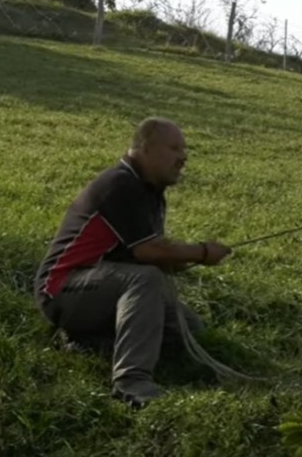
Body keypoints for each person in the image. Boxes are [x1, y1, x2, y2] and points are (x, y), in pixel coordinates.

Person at [33, 117, 232, 407]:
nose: (183, 157)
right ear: (145, 149)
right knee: (146, 279)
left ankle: (89, 343)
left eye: (185, 149)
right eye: (175, 148)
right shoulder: (121, 184)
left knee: (187, 328)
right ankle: (132, 382)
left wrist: (180, 259)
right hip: (62, 288)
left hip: (101, 286)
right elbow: (148, 253)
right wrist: (202, 253)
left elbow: (149, 251)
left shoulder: (150, 191)